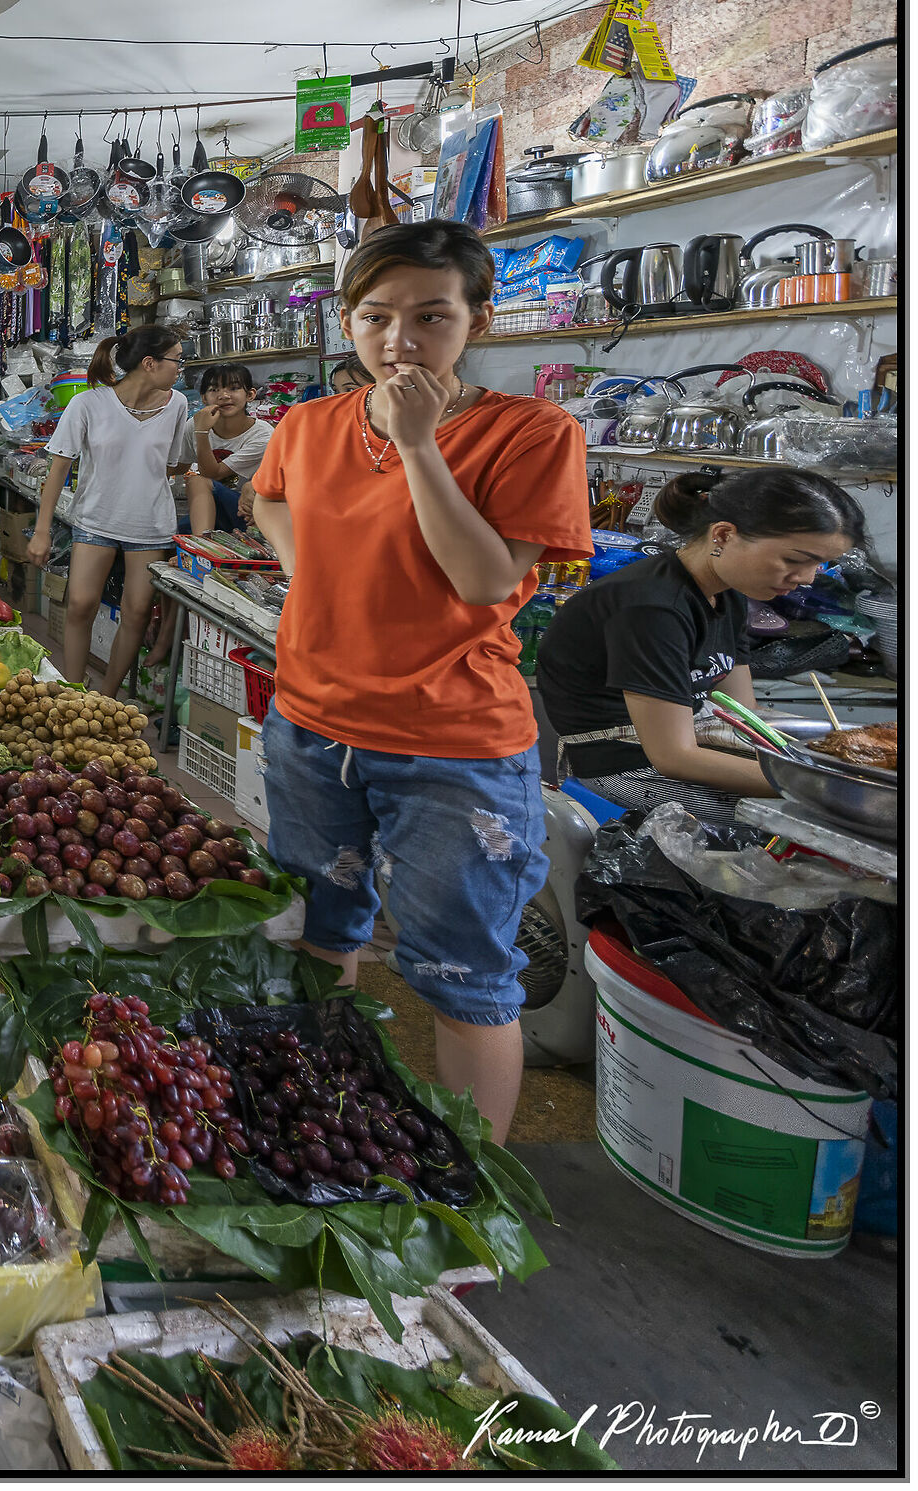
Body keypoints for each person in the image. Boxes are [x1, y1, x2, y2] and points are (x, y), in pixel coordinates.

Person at [247, 220, 592, 1145]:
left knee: (465, 977)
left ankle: (469, 1188)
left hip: (454, 747)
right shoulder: (311, 424)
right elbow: (267, 495)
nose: (400, 340)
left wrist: (419, 445)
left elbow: (485, 580)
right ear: (349, 322)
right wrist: (308, 572)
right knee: (324, 931)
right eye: (376, 316)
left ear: (476, 318)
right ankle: (318, 1113)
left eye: (431, 315)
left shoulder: (533, 432)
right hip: (312, 727)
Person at [537, 468, 865, 821]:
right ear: (723, 535)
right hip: (624, 764)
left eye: (821, 564)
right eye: (795, 560)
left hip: (690, 737)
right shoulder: (652, 607)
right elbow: (673, 756)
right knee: (814, 817)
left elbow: (741, 713)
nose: (806, 579)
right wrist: (821, 788)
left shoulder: (728, 594)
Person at [26, 326, 193, 696]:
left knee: (135, 614)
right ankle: (74, 692)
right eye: (176, 359)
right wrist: (42, 531)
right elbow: (58, 470)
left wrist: (203, 440)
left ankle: (107, 699)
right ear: (150, 363)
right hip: (96, 519)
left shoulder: (178, 405)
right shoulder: (88, 404)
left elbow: (169, 465)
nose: (180, 368)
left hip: (150, 525)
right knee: (80, 605)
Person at [186, 363, 273, 535]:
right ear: (203, 397)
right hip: (211, 511)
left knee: (198, 480)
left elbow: (212, 474)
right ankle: (200, 543)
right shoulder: (194, 425)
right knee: (179, 527)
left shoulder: (262, 434)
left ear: (250, 395)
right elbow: (179, 465)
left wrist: (202, 433)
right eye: (214, 390)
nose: (224, 396)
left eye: (233, 389)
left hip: (249, 512)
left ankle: (201, 548)